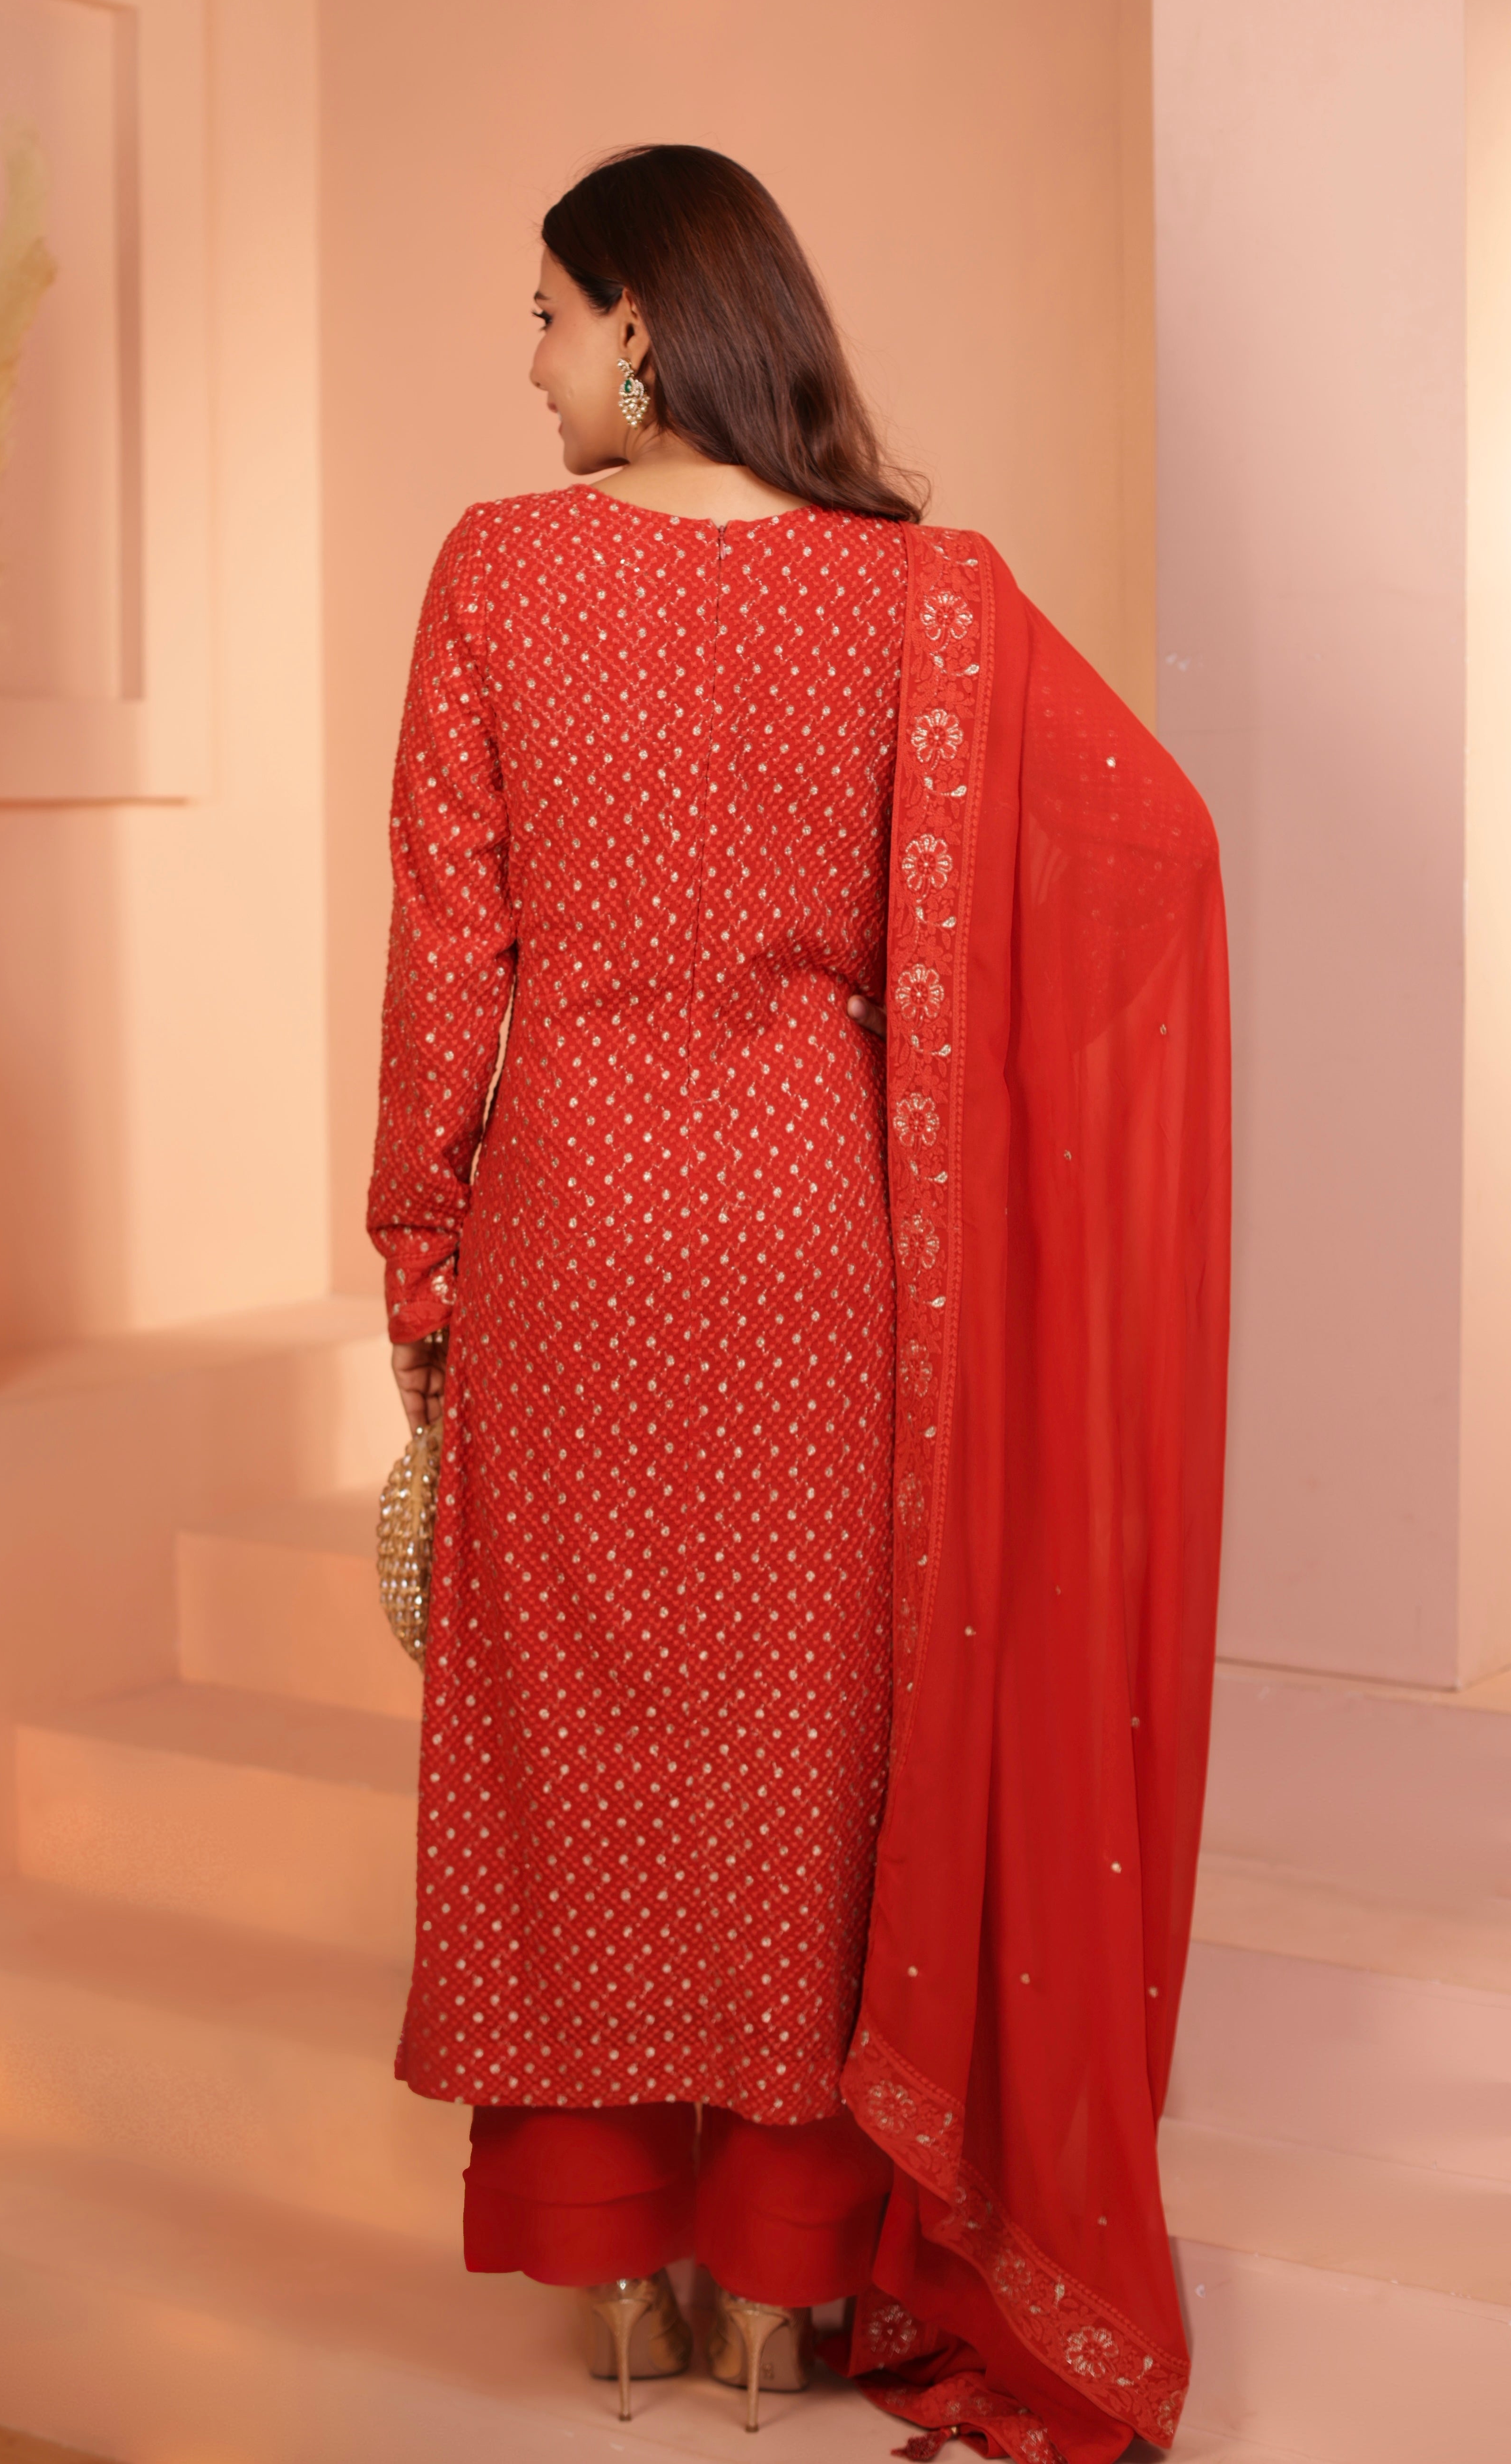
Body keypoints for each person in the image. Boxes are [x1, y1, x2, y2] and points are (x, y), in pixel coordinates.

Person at [369, 146, 1230, 2463]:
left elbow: (447, 952)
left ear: (642, 324)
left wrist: (418, 1258)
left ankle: (617, 2264)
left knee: (569, 1741)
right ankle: (778, 2284)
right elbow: (1148, 843)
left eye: (547, 313)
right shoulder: (920, 597)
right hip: (810, 1225)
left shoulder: (496, 569)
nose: (529, 361)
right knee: (802, 1741)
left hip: (573, 1218)